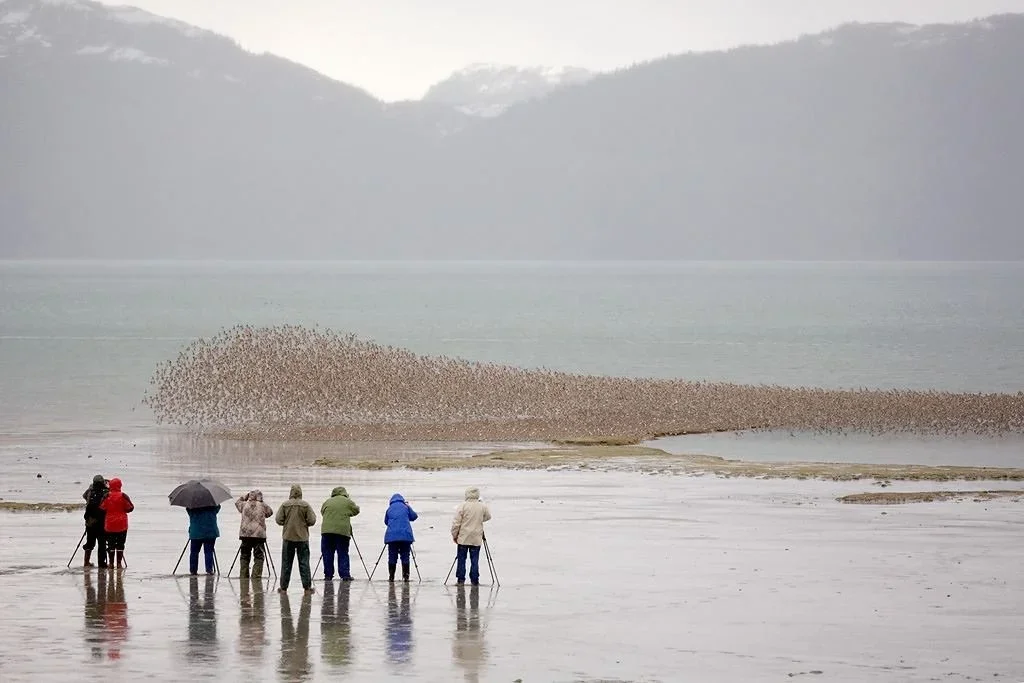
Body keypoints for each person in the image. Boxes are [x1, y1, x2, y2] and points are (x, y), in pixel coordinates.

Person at [276, 484, 317, 593]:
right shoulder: (305, 505)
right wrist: (304, 524)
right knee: (304, 562)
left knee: (286, 563)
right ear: (300, 493)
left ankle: (283, 588)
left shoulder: (285, 505)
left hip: (288, 537)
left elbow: (278, 520)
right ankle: (307, 587)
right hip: (302, 538)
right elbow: (312, 520)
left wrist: (287, 523)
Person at [451, 487, 492, 585]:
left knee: (461, 559)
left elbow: (456, 523)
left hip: (463, 538)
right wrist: (479, 520)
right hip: (476, 538)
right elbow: (488, 516)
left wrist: (454, 535)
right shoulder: (482, 506)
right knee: (475, 560)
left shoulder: (463, 506)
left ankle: (460, 580)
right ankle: (475, 580)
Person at [320, 486, 360, 581]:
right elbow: (356, 510)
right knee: (343, 553)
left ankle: (328, 575)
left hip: (327, 531)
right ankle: (345, 575)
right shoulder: (347, 501)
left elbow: (322, 512)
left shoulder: (327, 501)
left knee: (327, 553)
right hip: (342, 532)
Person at [236, 490, 274, 579]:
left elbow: (237, 502)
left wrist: (245, 497)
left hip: (245, 535)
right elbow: (270, 512)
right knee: (259, 556)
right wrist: (261, 502)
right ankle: (256, 577)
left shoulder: (244, 505)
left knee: (245, 556)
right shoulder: (263, 506)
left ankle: (243, 576)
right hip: (259, 535)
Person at [99, 477, 134, 569]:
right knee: (120, 544)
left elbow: (102, 507)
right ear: (120, 485)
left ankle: (110, 563)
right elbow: (130, 508)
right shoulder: (123, 496)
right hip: (121, 524)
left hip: (110, 524)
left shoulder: (107, 496)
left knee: (110, 544)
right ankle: (118, 563)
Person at [383, 493, 418, 583]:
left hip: (392, 537)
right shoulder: (405, 507)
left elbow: (386, 521)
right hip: (405, 536)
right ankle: (406, 577)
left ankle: (391, 577)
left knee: (392, 556)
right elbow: (414, 516)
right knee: (405, 556)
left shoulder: (389, 509)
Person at [82, 474, 109, 568]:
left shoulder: (90, 491)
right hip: (102, 521)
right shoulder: (105, 492)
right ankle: (102, 563)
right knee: (102, 543)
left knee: (90, 542)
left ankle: (86, 562)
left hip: (90, 520)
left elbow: (84, 496)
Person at [187, 504, 221, 575]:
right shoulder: (212, 504)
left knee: (194, 552)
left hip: (196, 532)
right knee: (208, 552)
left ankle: (193, 570)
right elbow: (217, 508)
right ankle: (209, 570)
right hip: (210, 531)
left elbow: (189, 511)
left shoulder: (192, 504)